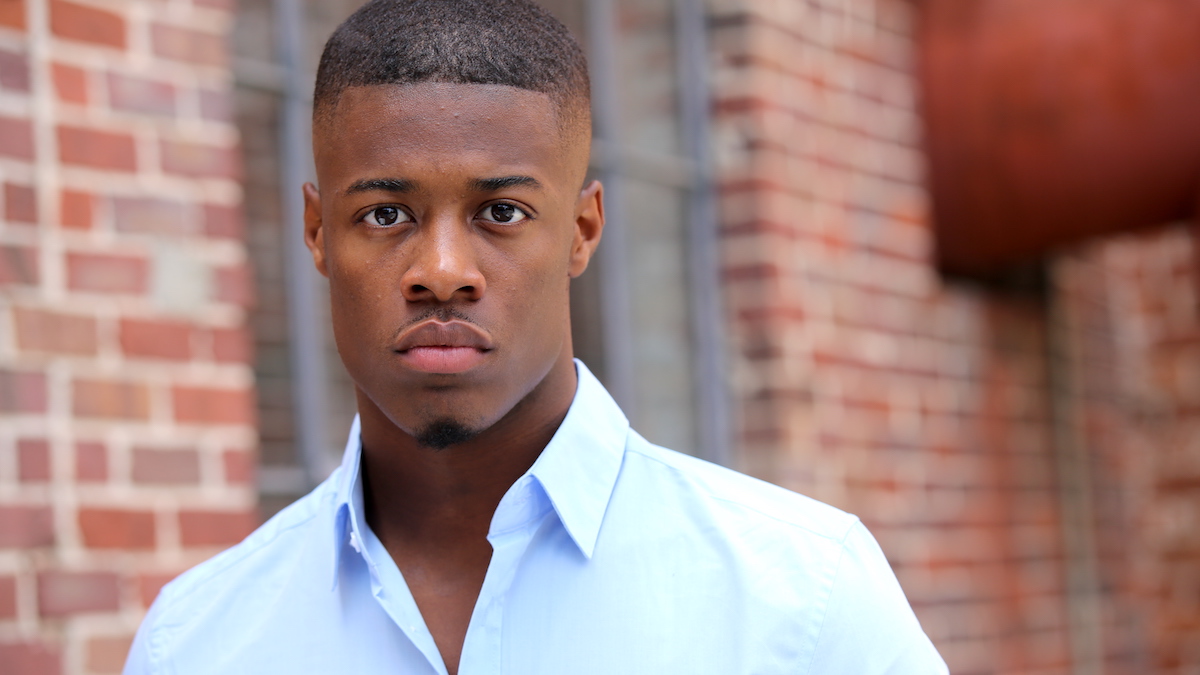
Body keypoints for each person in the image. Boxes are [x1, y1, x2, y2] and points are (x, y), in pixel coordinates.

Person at [124, 1, 948, 673]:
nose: (442, 271)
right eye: (385, 214)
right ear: (316, 233)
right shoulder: (195, 641)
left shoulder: (804, 599)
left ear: (583, 229)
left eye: (501, 213)